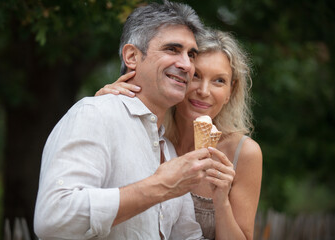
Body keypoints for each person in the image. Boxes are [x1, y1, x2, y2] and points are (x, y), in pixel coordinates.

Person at [34, 2, 226, 239]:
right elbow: (53, 219)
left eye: (191, 54)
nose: (187, 65)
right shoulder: (94, 114)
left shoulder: (167, 146)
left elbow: (187, 236)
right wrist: (160, 187)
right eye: (172, 49)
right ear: (132, 56)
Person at [96, 28, 263, 240]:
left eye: (219, 81)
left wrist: (221, 201)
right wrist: (105, 104)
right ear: (179, 77)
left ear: (231, 91)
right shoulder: (150, 134)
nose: (204, 90)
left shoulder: (243, 153)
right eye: (196, 76)